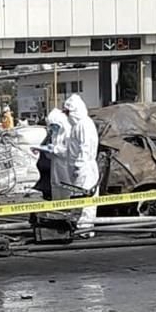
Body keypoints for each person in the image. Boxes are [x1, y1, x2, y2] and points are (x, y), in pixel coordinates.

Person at [63, 94, 100, 230]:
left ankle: (85, 229)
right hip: (79, 169)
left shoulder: (84, 125)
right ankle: (79, 226)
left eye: (68, 113)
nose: (67, 116)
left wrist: (78, 166)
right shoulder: (77, 126)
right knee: (78, 199)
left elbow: (85, 148)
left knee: (86, 201)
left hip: (84, 169)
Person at [32, 108, 73, 200]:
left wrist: (54, 149)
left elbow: (68, 151)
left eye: (54, 125)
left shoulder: (68, 133)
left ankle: (68, 206)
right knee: (55, 185)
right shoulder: (55, 134)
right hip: (55, 164)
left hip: (65, 165)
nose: (53, 127)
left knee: (66, 186)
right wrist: (44, 150)